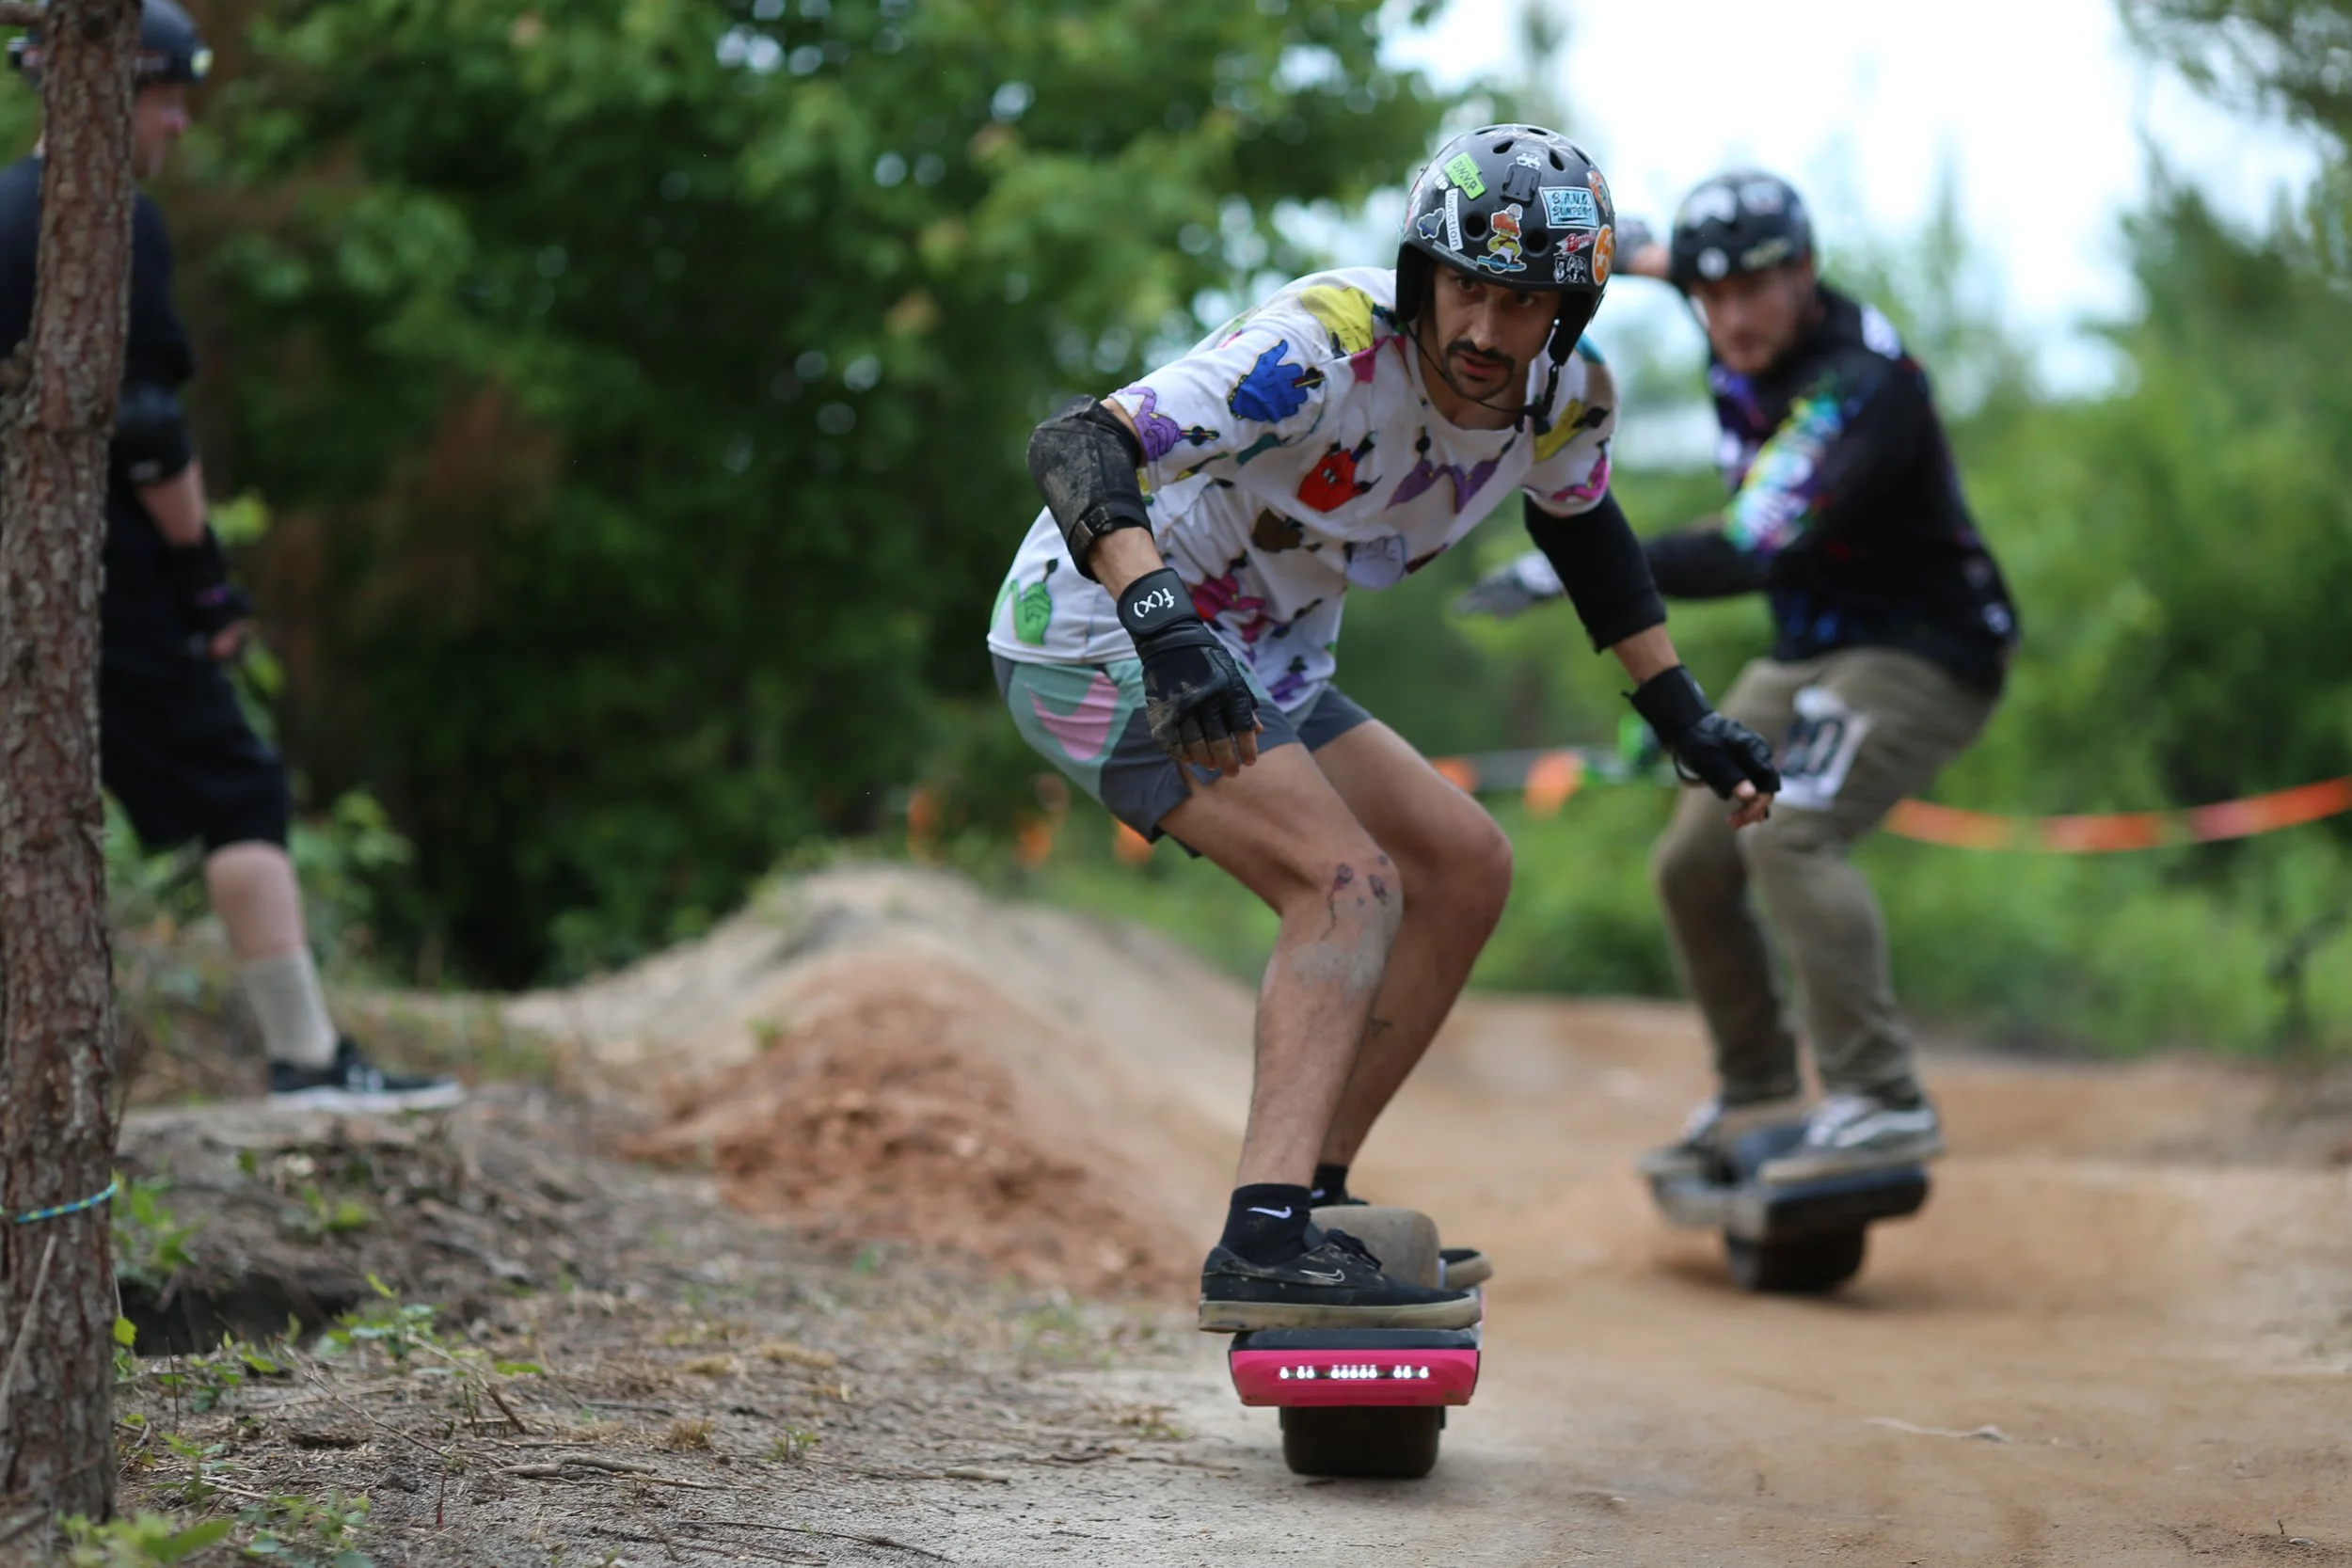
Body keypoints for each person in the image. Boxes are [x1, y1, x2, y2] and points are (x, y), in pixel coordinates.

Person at [992, 125, 1780, 1331]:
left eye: (1520, 305)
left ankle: (1310, 1196)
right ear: (1422, 274)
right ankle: (1261, 1243)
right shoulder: (1319, 351)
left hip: (1266, 655)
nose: (1480, 333)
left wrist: (1685, 712)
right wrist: (1162, 625)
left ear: (1566, 311)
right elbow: (1078, 443)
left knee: (1464, 863)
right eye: (1464, 288)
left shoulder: (1563, 400)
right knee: (1347, 881)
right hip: (1098, 635)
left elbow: (1585, 535)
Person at [1456, 170, 2019, 1185]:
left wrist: (1559, 565)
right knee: (1691, 865)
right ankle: (1758, 1085)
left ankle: (1880, 1098)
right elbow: (1636, 254)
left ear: (1803, 274)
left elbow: (1748, 545)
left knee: (1792, 828)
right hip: (1809, 648)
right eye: (1710, 296)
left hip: (1925, 649)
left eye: (1755, 292)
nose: (1731, 318)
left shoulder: (1859, 387)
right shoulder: (1723, 287)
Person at [2, 0, 461, 1113]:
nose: (181, 124)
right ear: (120, 89)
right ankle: (307, 1057)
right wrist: (204, 574)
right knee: (237, 781)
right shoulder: (107, 215)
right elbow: (148, 427)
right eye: (170, 97)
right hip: (92, 574)